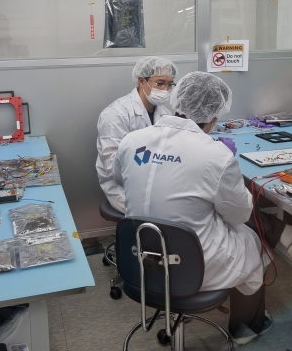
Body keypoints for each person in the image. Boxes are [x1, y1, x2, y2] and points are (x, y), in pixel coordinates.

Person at [113, 71, 272, 345]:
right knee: (254, 240)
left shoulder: (131, 140)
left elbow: (120, 179)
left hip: (137, 258)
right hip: (192, 265)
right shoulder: (216, 155)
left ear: (177, 102)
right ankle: (247, 326)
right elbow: (239, 215)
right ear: (213, 117)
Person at [96, 56, 178, 214]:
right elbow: (113, 168)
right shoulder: (116, 115)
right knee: (163, 213)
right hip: (123, 186)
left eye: (169, 84)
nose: (165, 90)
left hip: (156, 181)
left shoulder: (165, 113)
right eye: (160, 83)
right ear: (141, 81)